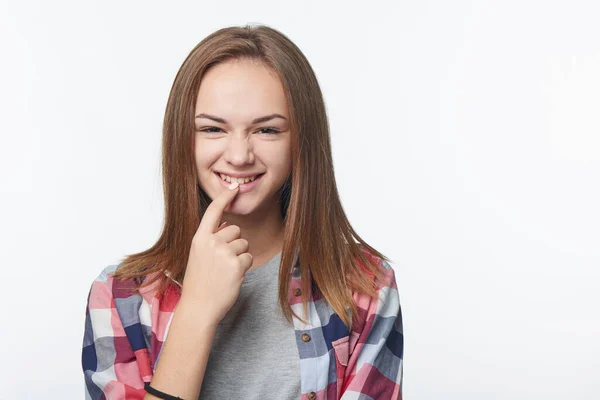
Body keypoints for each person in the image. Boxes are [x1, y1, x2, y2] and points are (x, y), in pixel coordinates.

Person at [81, 24, 403, 400]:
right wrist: (197, 310)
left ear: (301, 140)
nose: (238, 156)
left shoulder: (366, 287)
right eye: (213, 129)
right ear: (183, 138)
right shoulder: (120, 297)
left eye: (266, 130)